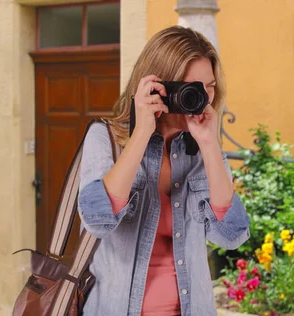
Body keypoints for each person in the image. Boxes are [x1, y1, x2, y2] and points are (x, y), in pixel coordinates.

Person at [78, 26, 251, 316]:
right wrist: (141, 132)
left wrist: (209, 144)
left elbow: (231, 235)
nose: (202, 98)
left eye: (209, 86)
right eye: (191, 88)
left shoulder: (203, 150)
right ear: (159, 86)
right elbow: (98, 221)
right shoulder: (105, 138)